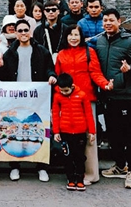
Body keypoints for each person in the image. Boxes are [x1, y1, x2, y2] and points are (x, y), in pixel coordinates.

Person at [0, 19, 57, 182]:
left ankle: (42, 167)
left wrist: (51, 76)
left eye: (25, 30)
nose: (23, 33)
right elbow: (4, 78)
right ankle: (15, 166)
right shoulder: (10, 53)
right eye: (20, 31)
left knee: (40, 129)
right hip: (16, 98)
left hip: (37, 98)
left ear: (30, 32)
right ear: (16, 33)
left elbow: (50, 68)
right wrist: (0, 67)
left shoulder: (41, 51)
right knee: (13, 130)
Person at [55, 24, 113, 185]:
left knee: (89, 136)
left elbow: (95, 73)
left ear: (81, 37)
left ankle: (91, 173)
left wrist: (105, 84)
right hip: (66, 99)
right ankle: (74, 172)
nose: (73, 38)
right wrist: (58, 93)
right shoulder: (61, 54)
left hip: (86, 97)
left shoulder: (89, 52)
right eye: (70, 35)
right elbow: (58, 76)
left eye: (76, 35)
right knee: (70, 137)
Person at [96, 8, 131, 189]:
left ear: (119, 21)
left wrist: (129, 69)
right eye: (105, 20)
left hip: (123, 95)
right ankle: (119, 165)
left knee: (129, 134)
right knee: (113, 133)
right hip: (106, 94)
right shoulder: (100, 40)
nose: (108, 23)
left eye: (111, 20)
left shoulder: (129, 42)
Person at [52, 73, 97, 191]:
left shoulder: (82, 95)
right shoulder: (57, 96)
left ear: (72, 86)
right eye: (61, 90)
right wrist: (56, 132)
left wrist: (92, 131)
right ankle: (70, 178)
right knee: (67, 156)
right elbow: (55, 114)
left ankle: (80, 178)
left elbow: (88, 114)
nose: (64, 93)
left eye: (66, 90)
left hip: (80, 131)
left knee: (80, 156)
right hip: (65, 131)